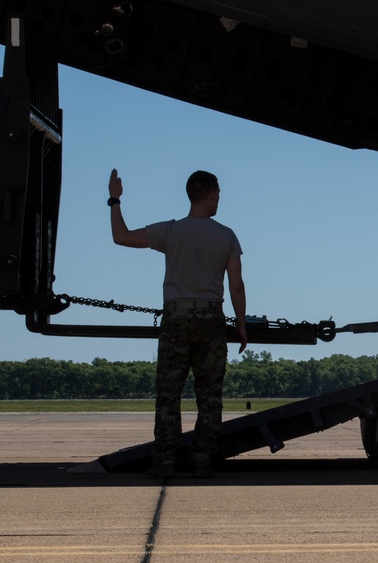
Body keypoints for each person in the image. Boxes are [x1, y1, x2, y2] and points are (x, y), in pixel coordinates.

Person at [108, 168, 248, 479]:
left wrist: (114, 201)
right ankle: (201, 462)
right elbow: (236, 286)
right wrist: (241, 324)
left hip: (176, 317)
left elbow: (121, 237)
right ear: (212, 195)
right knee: (209, 395)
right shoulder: (226, 236)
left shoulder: (169, 231)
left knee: (169, 394)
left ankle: (166, 461)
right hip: (211, 318)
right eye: (219, 196)